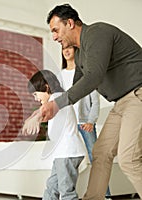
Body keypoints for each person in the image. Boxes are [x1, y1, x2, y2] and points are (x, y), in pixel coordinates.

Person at [40, 4, 142, 199]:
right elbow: (76, 85)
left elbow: (93, 76)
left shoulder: (97, 33)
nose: (54, 37)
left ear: (69, 23)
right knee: (101, 152)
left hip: (138, 95)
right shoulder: (80, 54)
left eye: (55, 30)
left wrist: (57, 104)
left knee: (128, 159)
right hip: (121, 103)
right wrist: (47, 104)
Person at [58, 46, 113, 198]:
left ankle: (105, 195)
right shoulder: (60, 75)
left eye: (69, 48)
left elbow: (95, 102)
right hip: (67, 125)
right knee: (64, 158)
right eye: (63, 49)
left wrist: (91, 121)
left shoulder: (85, 74)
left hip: (84, 123)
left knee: (96, 157)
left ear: (77, 52)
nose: (66, 51)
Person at [22, 70, 86, 199]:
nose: (35, 98)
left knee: (66, 191)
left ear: (46, 87)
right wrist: (32, 119)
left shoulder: (57, 97)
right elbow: (43, 112)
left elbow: (43, 110)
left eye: (35, 94)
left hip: (68, 152)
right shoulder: (54, 101)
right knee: (52, 186)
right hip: (62, 154)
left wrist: (36, 118)